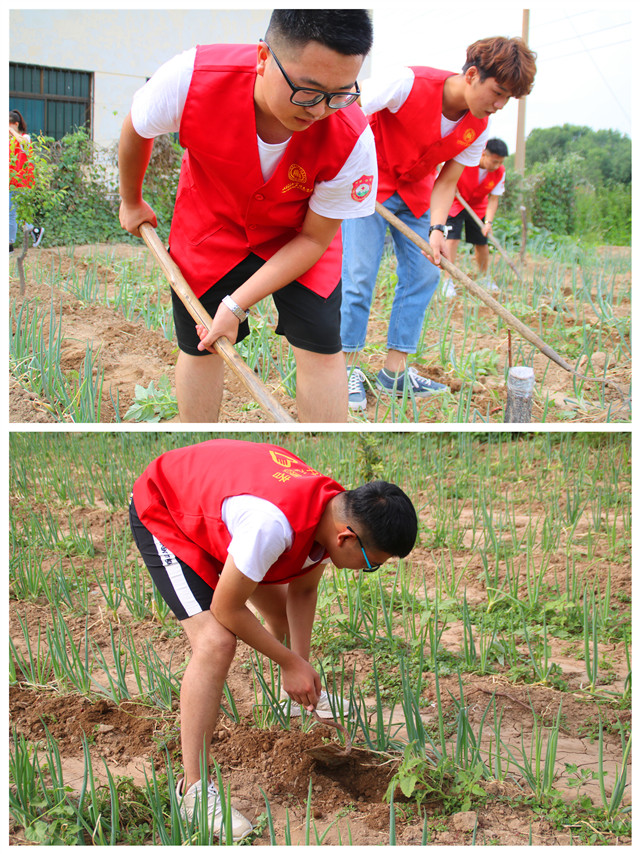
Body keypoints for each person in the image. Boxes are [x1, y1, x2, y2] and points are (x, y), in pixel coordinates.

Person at [129, 438, 418, 839]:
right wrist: (289, 663)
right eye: (371, 565)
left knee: (279, 611)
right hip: (166, 510)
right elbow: (227, 608)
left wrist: (301, 672)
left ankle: (299, 704)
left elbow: (301, 590)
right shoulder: (272, 526)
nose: (365, 571)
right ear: (347, 539)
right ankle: (193, 791)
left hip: (219, 507)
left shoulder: (329, 511)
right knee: (216, 643)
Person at [118, 10, 377, 423]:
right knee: (201, 344)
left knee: (322, 348)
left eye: (339, 94)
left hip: (299, 235)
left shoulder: (352, 140)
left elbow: (314, 240)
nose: (320, 110)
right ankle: (199, 447)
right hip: (211, 225)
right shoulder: (190, 79)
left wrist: (237, 304)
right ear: (262, 57)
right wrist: (131, 201)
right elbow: (136, 129)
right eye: (308, 91)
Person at [341, 38, 536, 412]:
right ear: (473, 74)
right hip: (368, 183)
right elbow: (347, 108)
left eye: (507, 99)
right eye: (497, 93)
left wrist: (436, 229)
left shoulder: (478, 129)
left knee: (425, 274)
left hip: (415, 193)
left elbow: (446, 181)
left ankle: (394, 373)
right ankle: (346, 368)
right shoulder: (406, 83)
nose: (497, 105)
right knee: (360, 273)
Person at [442, 137, 508, 296]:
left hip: (478, 207)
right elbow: (442, 167)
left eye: (500, 162)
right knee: (452, 240)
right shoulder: (466, 159)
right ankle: (447, 281)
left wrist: (488, 222)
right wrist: (451, 184)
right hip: (456, 203)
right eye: (494, 161)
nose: (497, 165)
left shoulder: (499, 172)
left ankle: (485, 277)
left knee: (482, 242)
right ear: (484, 154)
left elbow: (493, 199)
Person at [9, 109, 44, 253]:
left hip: (21, 181)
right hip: (10, 180)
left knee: (10, 212)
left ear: (16, 124)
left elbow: (22, 142)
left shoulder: (25, 137)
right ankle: (34, 230)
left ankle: (9, 245)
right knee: (14, 212)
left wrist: (11, 131)